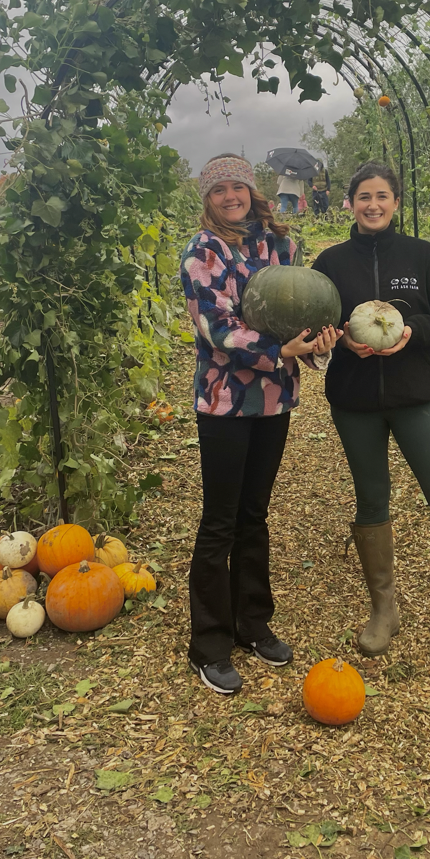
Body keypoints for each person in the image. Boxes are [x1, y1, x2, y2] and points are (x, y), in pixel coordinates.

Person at [312, 162, 430, 668]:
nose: (372, 205)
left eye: (382, 196)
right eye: (363, 196)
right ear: (349, 203)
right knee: (372, 501)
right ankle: (384, 609)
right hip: (355, 402)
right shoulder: (331, 262)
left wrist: (413, 331)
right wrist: (340, 339)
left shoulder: (421, 255)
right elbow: (315, 325)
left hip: (417, 398)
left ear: (395, 202)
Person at [180, 154, 340, 695]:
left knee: (255, 513)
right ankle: (209, 644)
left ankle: (252, 622)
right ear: (208, 198)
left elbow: (302, 310)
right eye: (219, 188)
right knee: (220, 519)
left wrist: (317, 344)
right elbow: (216, 329)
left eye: (238, 186)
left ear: (252, 190)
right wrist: (280, 350)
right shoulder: (203, 251)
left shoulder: (281, 245)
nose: (231, 195)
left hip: (273, 402)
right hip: (225, 402)